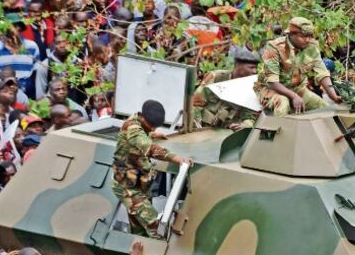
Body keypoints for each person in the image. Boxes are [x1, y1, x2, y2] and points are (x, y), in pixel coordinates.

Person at [110, 100, 193, 237]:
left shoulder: (139, 123)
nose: (153, 129)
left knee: (138, 229)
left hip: (139, 184)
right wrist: (177, 158)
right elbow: (150, 148)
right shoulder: (133, 128)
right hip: (127, 186)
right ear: (142, 116)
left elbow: (142, 135)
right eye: (151, 126)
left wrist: (152, 134)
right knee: (155, 226)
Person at [254, 18, 344, 116]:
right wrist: (293, 96)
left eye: (310, 36)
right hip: (271, 90)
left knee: (325, 110)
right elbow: (272, 82)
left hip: (297, 88)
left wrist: (333, 95)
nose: (307, 40)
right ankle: (280, 130)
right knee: (283, 104)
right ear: (291, 34)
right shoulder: (274, 47)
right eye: (303, 36)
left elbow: (322, 73)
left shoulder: (311, 47)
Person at [190, 47, 261, 130]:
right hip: (202, 128)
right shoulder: (217, 78)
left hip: (226, 133)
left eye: (255, 68)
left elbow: (249, 117)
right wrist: (197, 126)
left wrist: (244, 125)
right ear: (238, 65)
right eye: (251, 67)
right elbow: (195, 103)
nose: (255, 71)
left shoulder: (251, 89)